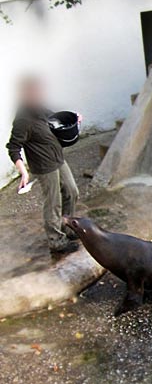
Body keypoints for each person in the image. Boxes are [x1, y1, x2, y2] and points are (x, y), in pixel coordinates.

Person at [7, 77, 81, 255]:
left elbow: (56, 121)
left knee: (72, 192)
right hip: (44, 166)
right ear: (23, 95)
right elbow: (13, 147)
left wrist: (75, 119)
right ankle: (56, 242)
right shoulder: (22, 121)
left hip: (58, 159)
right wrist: (23, 172)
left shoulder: (41, 110)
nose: (37, 95)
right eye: (33, 93)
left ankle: (68, 227)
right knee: (53, 203)